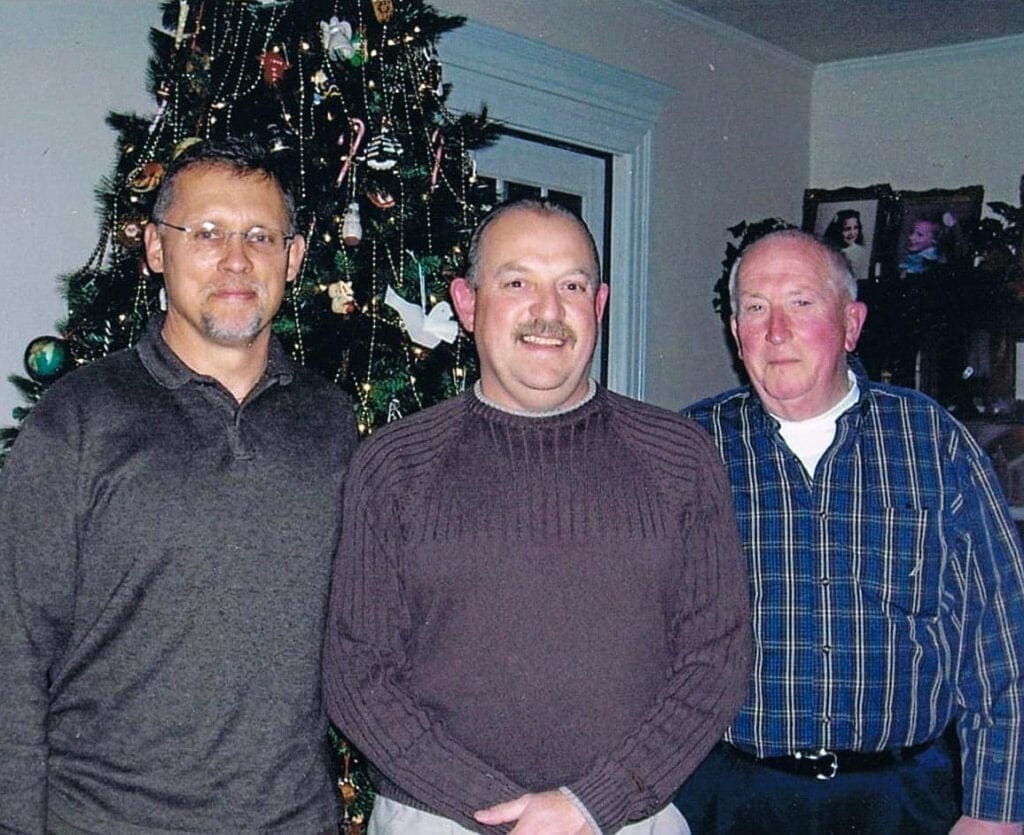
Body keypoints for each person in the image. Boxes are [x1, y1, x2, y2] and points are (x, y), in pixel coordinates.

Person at [322, 198, 751, 834]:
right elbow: (357, 670)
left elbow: (716, 659)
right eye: (517, 282)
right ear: (467, 303)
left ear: (598, 306)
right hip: (437, 820)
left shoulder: (680, 459)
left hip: (629, 820)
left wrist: (590, 803)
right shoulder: (393, 464)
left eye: (571, 286)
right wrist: (491, 808)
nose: (548, 312)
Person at [0, 137, 359, 832]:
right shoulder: (76, 418)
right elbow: (11, 648)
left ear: (294, 257)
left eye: (261, 235)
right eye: (206, 232)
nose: (236, 259)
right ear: (156, 249)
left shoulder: (333, 421)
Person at [674, 229, 1024, 834]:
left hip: (904, 802)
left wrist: (995, 810)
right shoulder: (688, 450)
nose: (775, 330)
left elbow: (1002, 637)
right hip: (730, 801)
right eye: (755, 308)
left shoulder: (930, 442)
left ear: (851, 324)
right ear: (736, 332)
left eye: (801, 303)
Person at [822, 208, 869, 280]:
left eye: (856, 228)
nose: (852, 233)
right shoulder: (828, 251)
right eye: (847, 229)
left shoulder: (860, 252)